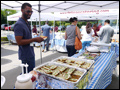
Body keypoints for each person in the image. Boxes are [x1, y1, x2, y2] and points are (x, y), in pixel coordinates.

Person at [14, 3, 44, 73]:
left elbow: (27, 38)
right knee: (26, 75)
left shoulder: (26, 22)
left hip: (30, 53)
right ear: (22, 10)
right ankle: (16, 84)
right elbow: (19, 42)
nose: (30, 13)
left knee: (29, 74)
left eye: (31, 12)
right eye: (28, 11)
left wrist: (36, 39)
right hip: (26, 55)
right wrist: (34, 39)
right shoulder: (19, 24)